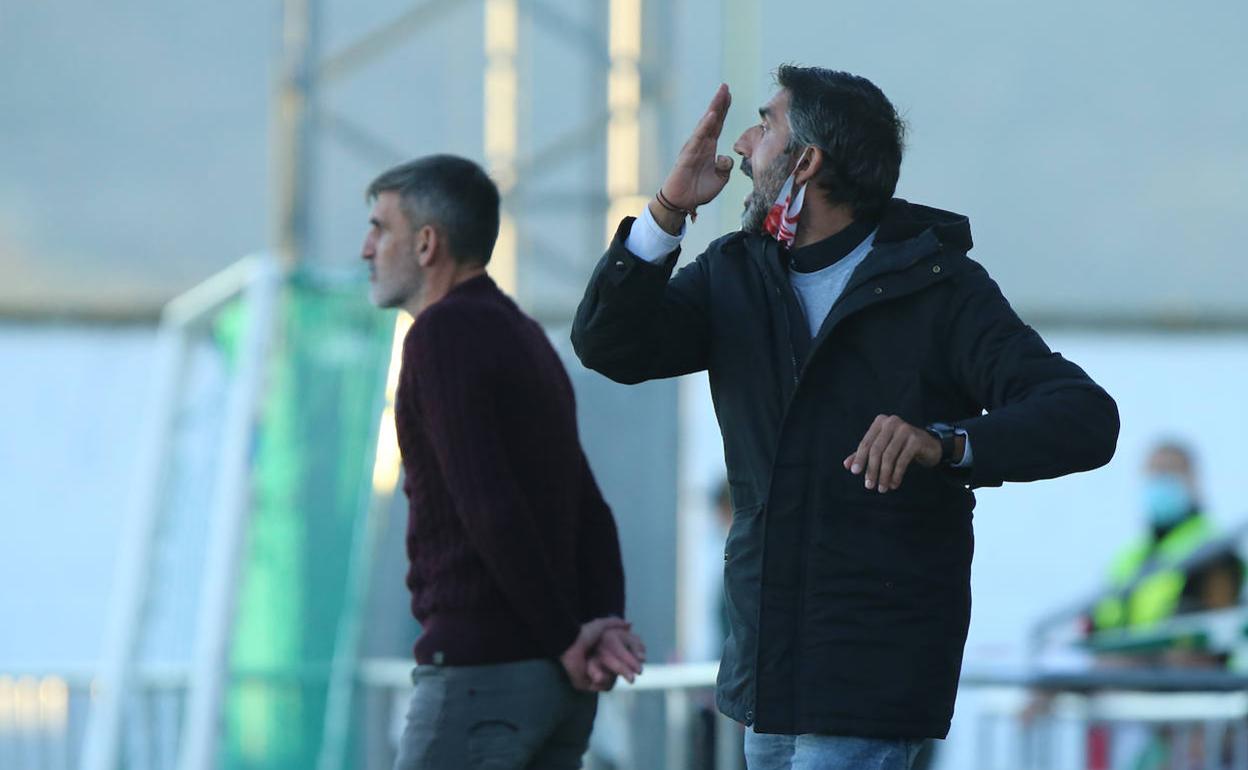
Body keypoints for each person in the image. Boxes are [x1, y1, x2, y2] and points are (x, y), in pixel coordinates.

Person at [571, 67, 1120, 770]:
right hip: (766, 678)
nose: (741, 145)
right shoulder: (735, 271)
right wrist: (667, 210)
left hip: (871, 674)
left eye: (765, 125)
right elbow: (607, 345)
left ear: (806, 163)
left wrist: (946, 443)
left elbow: (1083, 415)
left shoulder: (940, 287)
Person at [362, 154, 646, 770]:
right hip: (555, 688)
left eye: (380, 228)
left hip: (482, 680)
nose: (367, 248)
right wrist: (600, 625)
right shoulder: (524, 336)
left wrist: (570, 639)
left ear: (427, 243)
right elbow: (589, 506)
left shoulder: (440, 335)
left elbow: (488, 507)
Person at [1091, 440, 1243, 647]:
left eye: (1169, 472)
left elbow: (1206, 641)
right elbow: (1097, 624)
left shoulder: (1215, 552)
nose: (1159, 482)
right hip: (1116, 662)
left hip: (1169, 666)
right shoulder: (1128, 558)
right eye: (1153, 473)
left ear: (1193, 481)